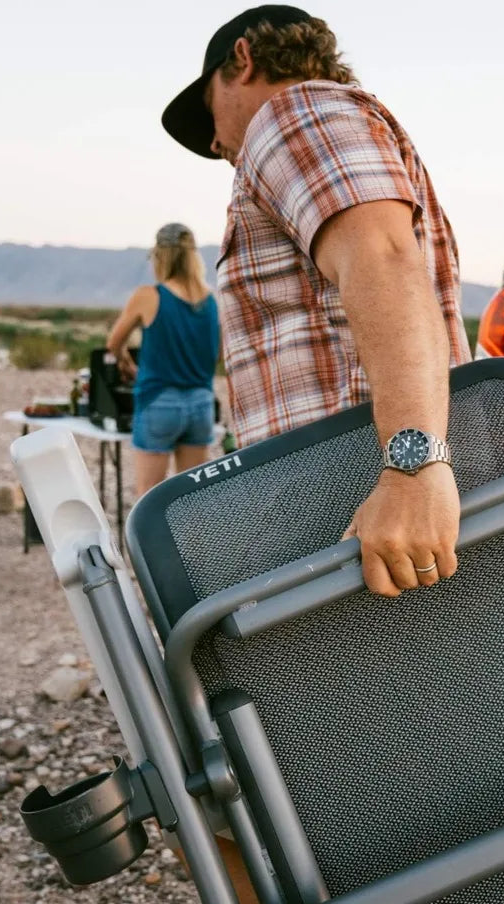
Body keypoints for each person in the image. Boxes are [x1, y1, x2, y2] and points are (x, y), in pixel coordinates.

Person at [161, 4, 471, 600]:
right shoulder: (316, 124)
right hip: (357, 499)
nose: (216, 141)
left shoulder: (293, 115)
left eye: (209, 112)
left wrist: (413, 468)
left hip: (363, 490)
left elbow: (381, 261)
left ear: (243, 59)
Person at [105, 223, 221, 496]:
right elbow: (217, 355)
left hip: (160, 403)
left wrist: (127, 364)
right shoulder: (211, 300)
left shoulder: (149, 296)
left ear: (160, 256)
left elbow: (113, 343)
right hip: (201, 405)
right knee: (192, 499)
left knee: (149, 498)